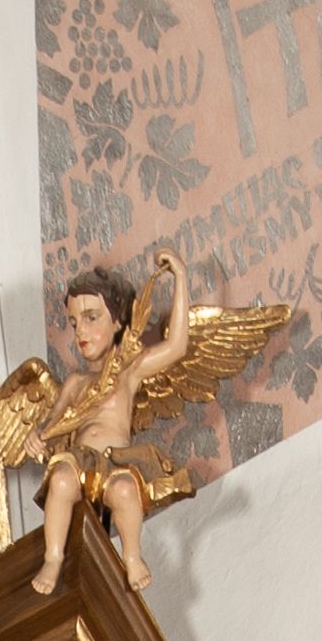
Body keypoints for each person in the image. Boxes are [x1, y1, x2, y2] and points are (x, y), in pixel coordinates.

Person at [30, 256, 192, 598]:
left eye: (91, 318)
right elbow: (53, 423)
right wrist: (37, 437)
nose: (80, 332)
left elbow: (177, 346)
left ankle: (131, 556)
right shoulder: (75, 382)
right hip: (80, 460)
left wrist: (179, 275)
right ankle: (53, 557)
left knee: (124, 492)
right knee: (61, 481)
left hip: (116, 459)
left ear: (118, 322)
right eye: (74, 323)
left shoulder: (127, 373)